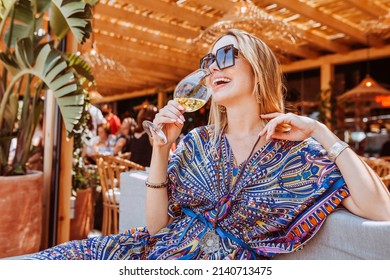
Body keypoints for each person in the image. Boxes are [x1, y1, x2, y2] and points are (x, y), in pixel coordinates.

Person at [26, 29, 390, 260]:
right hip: (149, 255)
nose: (214, 68)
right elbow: (156, 229)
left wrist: (321, 132)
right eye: (208, 62)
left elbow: (381, 210)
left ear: (258, 68)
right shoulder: (197, 142)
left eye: (227, 56)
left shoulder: (298, 152)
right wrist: (160, 150)